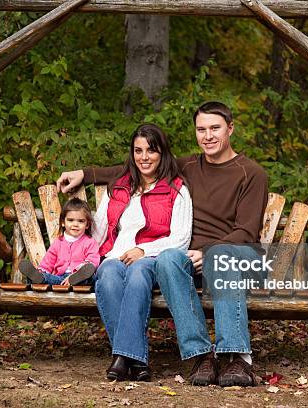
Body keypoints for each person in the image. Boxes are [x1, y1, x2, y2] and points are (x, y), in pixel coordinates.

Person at [57, 102, 268, 387]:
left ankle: (237, 358)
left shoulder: (251, 173)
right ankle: (201, 355)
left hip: (233, 251)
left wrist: (208, 252)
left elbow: (247, 231)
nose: (208, 136)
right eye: (201, 129)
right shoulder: (189, 165)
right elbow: (141, 165)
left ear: (230, 129)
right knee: (168, 258)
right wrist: (86, 173)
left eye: (215, 128)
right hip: (187, 256)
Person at [88, 123, 192, 382]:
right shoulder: (119, 187)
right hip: (115, 256)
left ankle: (121, 358)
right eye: (138, 150)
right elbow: (99, 230)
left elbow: (180, 239)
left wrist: (143, 249)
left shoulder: (176, 189)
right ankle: (135, 359)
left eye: (151, 150)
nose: (144, 157)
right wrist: (85, 258)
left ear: (162, 153)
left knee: (137, 273)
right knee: (108, 275)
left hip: (152, 258)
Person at [18, 198, 100, 287]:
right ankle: (38, 278)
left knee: (90, 278)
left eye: (80, 221)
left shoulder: (90, 242)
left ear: (87, 225)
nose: (75, 224)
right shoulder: (58, 243)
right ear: (63, 222)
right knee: (48, 278)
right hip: (61, 279)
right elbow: (47, 262)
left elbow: (92, 261)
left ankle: (77, 278)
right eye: (71, 220)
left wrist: (77, 273)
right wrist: (41, 271)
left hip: (81, 278)